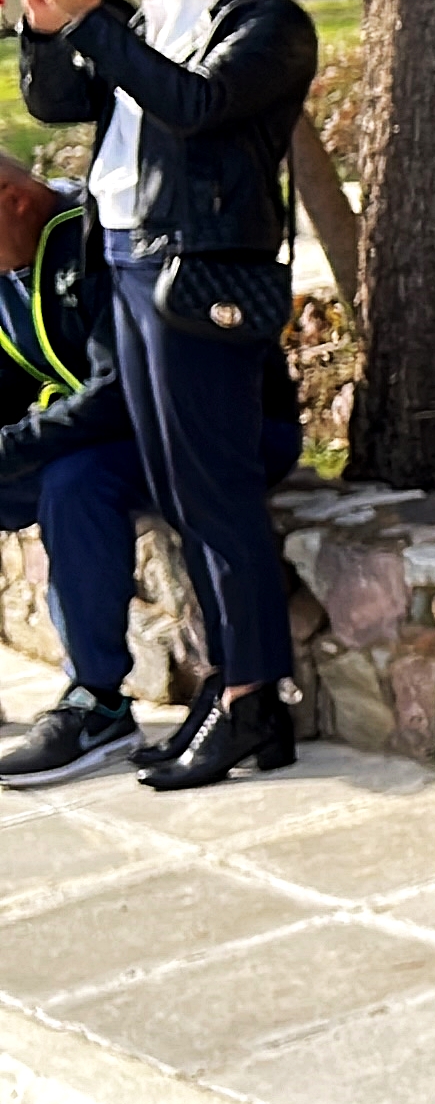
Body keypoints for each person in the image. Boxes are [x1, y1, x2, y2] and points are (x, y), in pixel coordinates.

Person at [15, 0, 317, 792]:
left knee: (214, 495)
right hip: (127, 257)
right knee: (185, 498)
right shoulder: (156, 11)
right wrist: (44, 28)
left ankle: (252, 697)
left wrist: (93, 19)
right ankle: (236, 695)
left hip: (198, 276)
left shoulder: (270, 23)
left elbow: (194, 104)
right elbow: (64, 101)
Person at [0, 176, 304, 786]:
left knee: (74, 484)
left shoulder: (97, 237)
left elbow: (115, 393)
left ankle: (98, 702)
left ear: (16, 200)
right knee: (65, 471)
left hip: (219, 430)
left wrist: (11, 447)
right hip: (113, 438)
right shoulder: (10, 270)